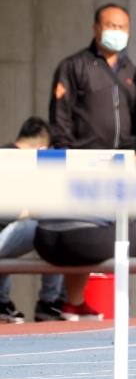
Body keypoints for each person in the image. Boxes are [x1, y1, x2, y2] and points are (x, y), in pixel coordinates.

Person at [50, 4, 136, 150]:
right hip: (84, 156)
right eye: (111, 25)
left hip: (123, 158)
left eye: (122, 27)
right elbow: (60, 115)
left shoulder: (130, 70)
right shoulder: (74, 65)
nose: (117, 31)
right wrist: (64, 151)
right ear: (96, 28)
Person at [0, 118, 64, 323]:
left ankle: (2, 303)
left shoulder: (4, 154)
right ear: (43, 148)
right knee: (56, 227)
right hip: (7, 233)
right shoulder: (23, 163)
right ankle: (49, 301)